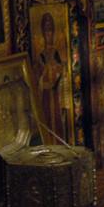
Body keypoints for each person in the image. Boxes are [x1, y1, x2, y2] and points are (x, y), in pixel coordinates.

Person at [36, 12, 65, 142]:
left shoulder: (56, 53)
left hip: (56, 96)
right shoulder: (40, 56)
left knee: (57, 123)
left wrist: (58, 78)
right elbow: (38, 79)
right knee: (47, 123)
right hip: (46, 97)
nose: (49, 33)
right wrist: (44, 83)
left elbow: (62, 73)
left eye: (50, 30)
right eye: (46, 30)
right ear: (43, 32)